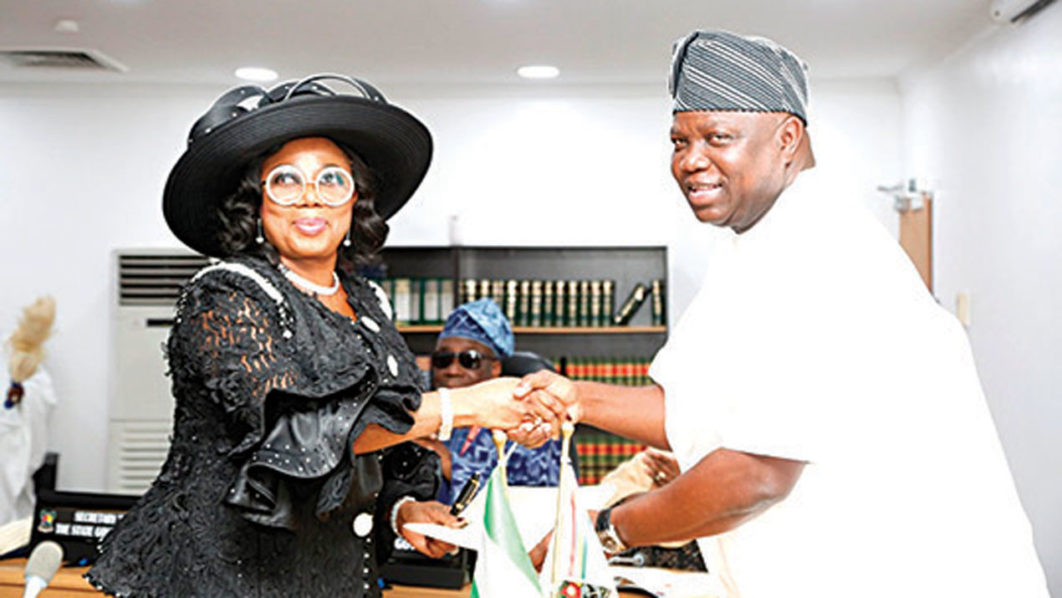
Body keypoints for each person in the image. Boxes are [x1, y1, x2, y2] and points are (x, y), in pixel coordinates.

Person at [520, 30, 1049, 597]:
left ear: (787, 138)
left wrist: (607, 529)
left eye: (717, 137)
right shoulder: (759, 243)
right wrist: (574, 398)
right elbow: (695, 410)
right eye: (679, 141)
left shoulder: (819, 250)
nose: (690, 161)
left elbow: (755, 476)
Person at [86, 75, 556, 597]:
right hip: (221, 578)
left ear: (355, 203)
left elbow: (378, 439)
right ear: (256, 203)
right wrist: (464, 406)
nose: (311, 197)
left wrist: (403, 509)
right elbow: (300, 432)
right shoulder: (224, 295)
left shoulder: (368, 302)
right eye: (285, 180)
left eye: (332, 180)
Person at [422, 299, 561, 506]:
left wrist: (449, 465)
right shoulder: (424, 409)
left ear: (495, 368)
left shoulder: (526, 419)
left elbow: (537, 503)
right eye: (443, 359)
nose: (452, 370)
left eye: (469, 359)